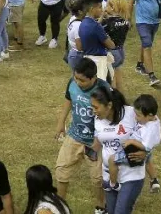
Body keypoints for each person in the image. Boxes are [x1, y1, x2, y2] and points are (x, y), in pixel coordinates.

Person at [53, 59, 110, 213]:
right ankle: (61, 205)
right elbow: (68, 101)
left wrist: (102, 139)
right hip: (74, 135)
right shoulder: (72, 82)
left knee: (98, 179)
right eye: (76, 78)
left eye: (82, 80)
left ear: (93, 78)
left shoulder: (104, 88)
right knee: (61, 170)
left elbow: (111, 114)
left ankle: (101, 206)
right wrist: (61, 123)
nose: (78, 82)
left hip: (95, 141)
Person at [90, 88, 145, 214]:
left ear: (109, 105)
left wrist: (146, 153)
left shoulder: (131, 113)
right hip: (108, 176)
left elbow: (149, 133)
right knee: (111, 211)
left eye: (96, 107)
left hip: (131, 174)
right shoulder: (98, 119)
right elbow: (99, 142)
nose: (93, 111)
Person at [107, 94, 161, 194]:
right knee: (148, 160)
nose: (136, 118)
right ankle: (154, 180)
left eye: (138, 115)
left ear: (149, 115)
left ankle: (113, 184)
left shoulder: (149, 129)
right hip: (142, 150)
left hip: (135, 151)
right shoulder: (153, 120)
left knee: (111, 160)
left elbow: (146, 147)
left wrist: (131, 141)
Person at [79, 0, 118, 89]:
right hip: (99, 63)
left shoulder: (83, 23)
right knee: (105, 90)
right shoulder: (96, 27)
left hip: (87, 60)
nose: (102, 10)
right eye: (100, 7)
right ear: (92, 9)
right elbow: (111, 45)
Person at [102, 0, 132, 92]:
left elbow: (98, 31)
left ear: (113, 7)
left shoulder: (107, 23)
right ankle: (120, 95)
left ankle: (114, 98)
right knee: (117, 75)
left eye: (107, 5)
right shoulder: (126, 22)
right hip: (121, 51)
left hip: (110, 53)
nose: (105, 7)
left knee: (111, 78)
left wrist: (102, 18)